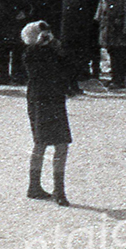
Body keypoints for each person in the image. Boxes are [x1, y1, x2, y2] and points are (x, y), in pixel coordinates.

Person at [22, 20, 71, 206]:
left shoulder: (54, 50)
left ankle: (57, 189)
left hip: (54, 98)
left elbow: (69, 64)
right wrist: (42, 47)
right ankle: (37, 186)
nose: (47, 36)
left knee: (62, 143)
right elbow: (35, 71)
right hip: (41, 100)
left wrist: (57, 47)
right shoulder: (30, 54)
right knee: (42, 142)